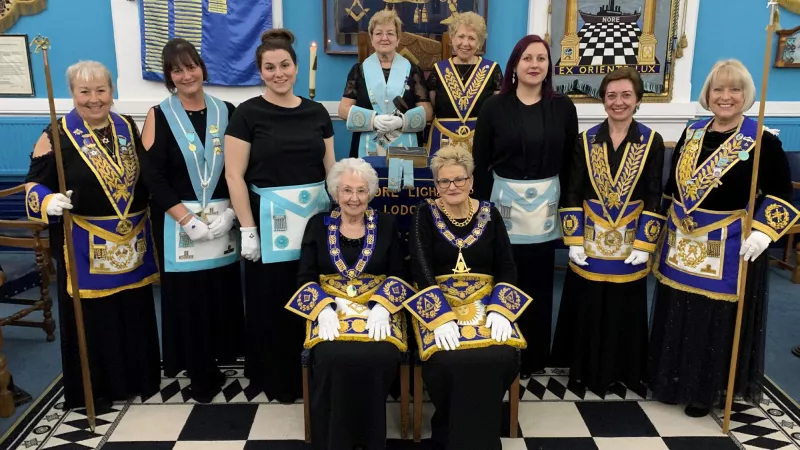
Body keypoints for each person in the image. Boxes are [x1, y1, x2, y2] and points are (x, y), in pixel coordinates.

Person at [650, 60, 799, 417]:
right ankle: (671, 378)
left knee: (711, 318)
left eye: (734, 89)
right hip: (683, 240)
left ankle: (706, 388)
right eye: (718, 89)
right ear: (708, 94)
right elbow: (674, 187)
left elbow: (780, 196)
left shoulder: (762, 139)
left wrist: (764, 233)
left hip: (732, 245)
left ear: (746, 94)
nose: (726, 97)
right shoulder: (693, 132)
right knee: (679, 311)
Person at [24, 61, 161, 409]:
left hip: (132, 239)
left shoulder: (126, 125)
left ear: (111, 91)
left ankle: (137, 377)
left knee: (132, 311)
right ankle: (97, 388)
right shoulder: (56, 132)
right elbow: (33, 183)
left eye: (101, 90)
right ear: (73, 94)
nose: (94, 99)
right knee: (95, 321)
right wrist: (48, 199)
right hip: (85, 243)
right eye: (85, 92)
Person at [224, 29, 335, 403]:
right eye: (269, 67)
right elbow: (234, 175)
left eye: (284, 65)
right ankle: (279, 378)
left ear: (296, 67)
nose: (278, 73)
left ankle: (319, 372)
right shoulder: (247, 114)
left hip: (315, 225)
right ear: (260, 71)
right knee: (272, 302)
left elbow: (330, 169)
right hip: (268, 228)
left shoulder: (317, 112)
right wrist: (248, 230)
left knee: (314, 295)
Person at [405, 145, 531, 450]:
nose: (452, 187)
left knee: (500, 355)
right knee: (450, 358)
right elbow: (420, 269)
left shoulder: (490, 213)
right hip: (439, 303)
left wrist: (501, 310)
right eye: (444, 182)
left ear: (471, 180)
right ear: (435, 185)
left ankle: (484, 436)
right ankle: (449, 431)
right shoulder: (425, 213)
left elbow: (507, 266)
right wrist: (441, 317)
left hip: (487, 304)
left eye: (459, 179)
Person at [550, 68, 665, 396]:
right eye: (612, 95)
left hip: (630, 243)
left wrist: (646, 243)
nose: (619, 102)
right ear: (603, 100)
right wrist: (572, 240)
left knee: (623, 308)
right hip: (589, 241)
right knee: (588, 307)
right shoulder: (585, 140)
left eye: (626, 95)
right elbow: (572, 190)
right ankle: (584, 372)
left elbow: (655, 192)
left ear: (638, 100)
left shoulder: (651, 141)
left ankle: (624, 373)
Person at [141, 38, 244, 402]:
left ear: (201, 67)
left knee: (220, 294)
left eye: (191, 66)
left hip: (221, 221)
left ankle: (221, 359)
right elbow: (151, 176)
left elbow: (238, 168)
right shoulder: (159, 113)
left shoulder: (227, 110)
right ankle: (199, 372)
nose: (187, 75)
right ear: (170, 76)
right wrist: (185, 218)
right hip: (179, 223)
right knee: (190, 300)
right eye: (177, 70)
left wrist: (232, 211)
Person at [286, 158, 414, 450]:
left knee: (380, 353)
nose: (354, 198)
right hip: (330, 310)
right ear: (335, 193)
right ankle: (335, 438)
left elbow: (399, 273)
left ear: (371, 192)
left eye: (361, 190)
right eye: (346, 190)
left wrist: (383, 307)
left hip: (379, 310)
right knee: (330, 354)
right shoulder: (318, 225)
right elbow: (305, 276)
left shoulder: (387, 223)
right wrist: (322, 310)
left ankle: (370, 439)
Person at [472, 34, 578, 377]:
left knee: (539, 283)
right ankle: (501, 350)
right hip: (503, 208)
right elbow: (480, 159)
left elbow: (571, 163)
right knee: (505, 277)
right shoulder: (493, 106)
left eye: (541, 59)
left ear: (549, 67)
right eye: (528, 58)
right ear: (515, 65)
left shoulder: (563, 107)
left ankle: (533, 359)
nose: (535, 65)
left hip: (546, 209)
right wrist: (484, 211)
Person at [338, 9, 432, 159]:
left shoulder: (413, 70)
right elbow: (343, 110)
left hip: (406, 149)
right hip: (366, 148)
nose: (384, 38)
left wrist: (402, 121)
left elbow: (427, 111)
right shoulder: (359, 71)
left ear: (398, 39)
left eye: (390, 33)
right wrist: (372, 120)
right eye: (378, 33)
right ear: (371, 39)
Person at [426, 11, 502, 154]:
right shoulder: (438, 70)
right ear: (452, 39)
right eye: (460, 36)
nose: (465, 43)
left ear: (479, 42)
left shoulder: (492, 70)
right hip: (443, 143)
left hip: (480, 142)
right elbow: (433, 107)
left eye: (472, 38)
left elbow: (498, 111)